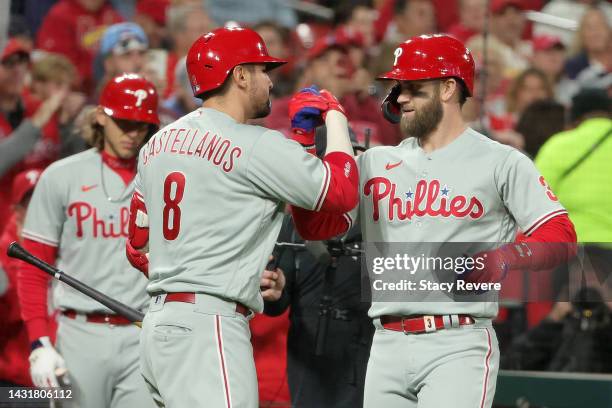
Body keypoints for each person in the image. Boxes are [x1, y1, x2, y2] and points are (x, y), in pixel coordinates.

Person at [290, 34, 577, 407]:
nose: (401, 98)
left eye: (413, 87)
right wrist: (304, 145)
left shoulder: (501, 161)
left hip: (457, 341)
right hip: (386, 341)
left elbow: (561, 236)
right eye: (398, 89)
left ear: (447, 87)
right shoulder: (375, 163)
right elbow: (317, 228)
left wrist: (508, 257)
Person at [126, 27, 358, 407]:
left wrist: (183, 279)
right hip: (210, 325)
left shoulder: (158, 143)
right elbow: (341, 193)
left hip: (157, 326)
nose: (269, 80)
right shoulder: (255, 144)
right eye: (263, 70)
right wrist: (335, 118)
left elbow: (137, 247)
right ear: (240, 75)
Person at [17, 74, 160, 408]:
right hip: (79, 334)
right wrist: (39, 341)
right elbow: (33, 267)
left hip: (144, 330)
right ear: (100, 115)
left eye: (141, 124)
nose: (132, 132)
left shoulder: (164, 179)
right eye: (123, 121)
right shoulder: (61, 175)